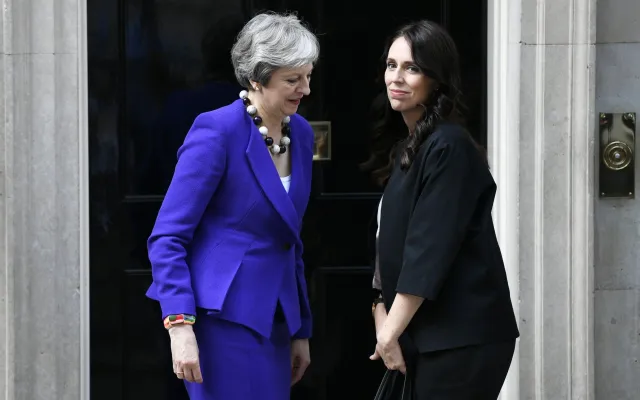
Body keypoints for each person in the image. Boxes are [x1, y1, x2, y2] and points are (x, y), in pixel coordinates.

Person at [145, 12, 319, 400]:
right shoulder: (217, 130)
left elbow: (290, 240)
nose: (305, 89)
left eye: (308, 76)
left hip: (277, 320)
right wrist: (180, 326)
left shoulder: (302, 133)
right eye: (292, 79)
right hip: (222, 321)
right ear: (257, 78)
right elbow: (167, 237)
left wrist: (301, 328)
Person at [365, 20, 520, 399]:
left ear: (437, 80)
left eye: (412, 68)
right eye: (391, 65)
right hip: (426, 334)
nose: (396, 77)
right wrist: (379, 309)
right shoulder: (409, 149)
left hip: (460, 337)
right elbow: (390, 241)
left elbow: (428, 249)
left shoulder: (449, 146)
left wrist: (389, 333)